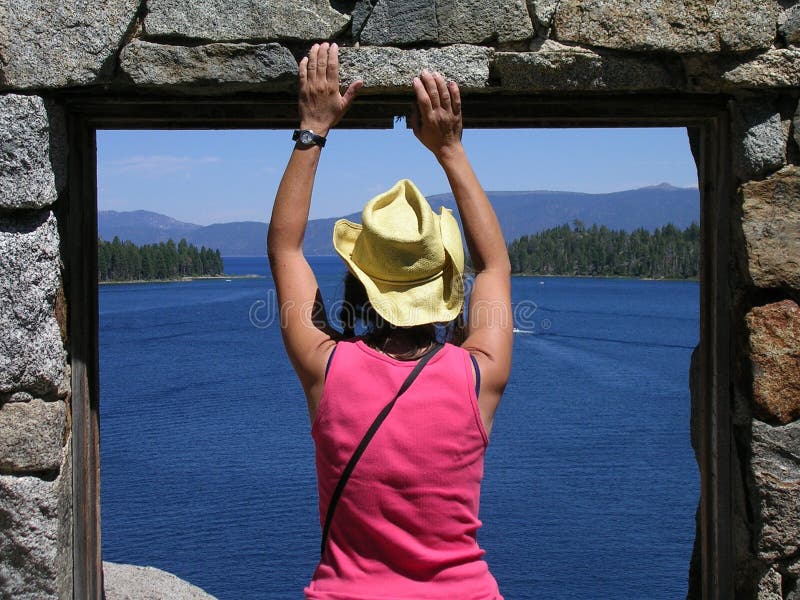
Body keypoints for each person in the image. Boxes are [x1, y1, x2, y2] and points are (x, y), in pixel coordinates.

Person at [267, 42, 513, 600]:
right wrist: (450, 149)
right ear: (449, 285)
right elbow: (494, 264)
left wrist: (313, 129)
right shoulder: (479, 377)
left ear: (359, 282)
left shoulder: (327, 371)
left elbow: (285, 249)